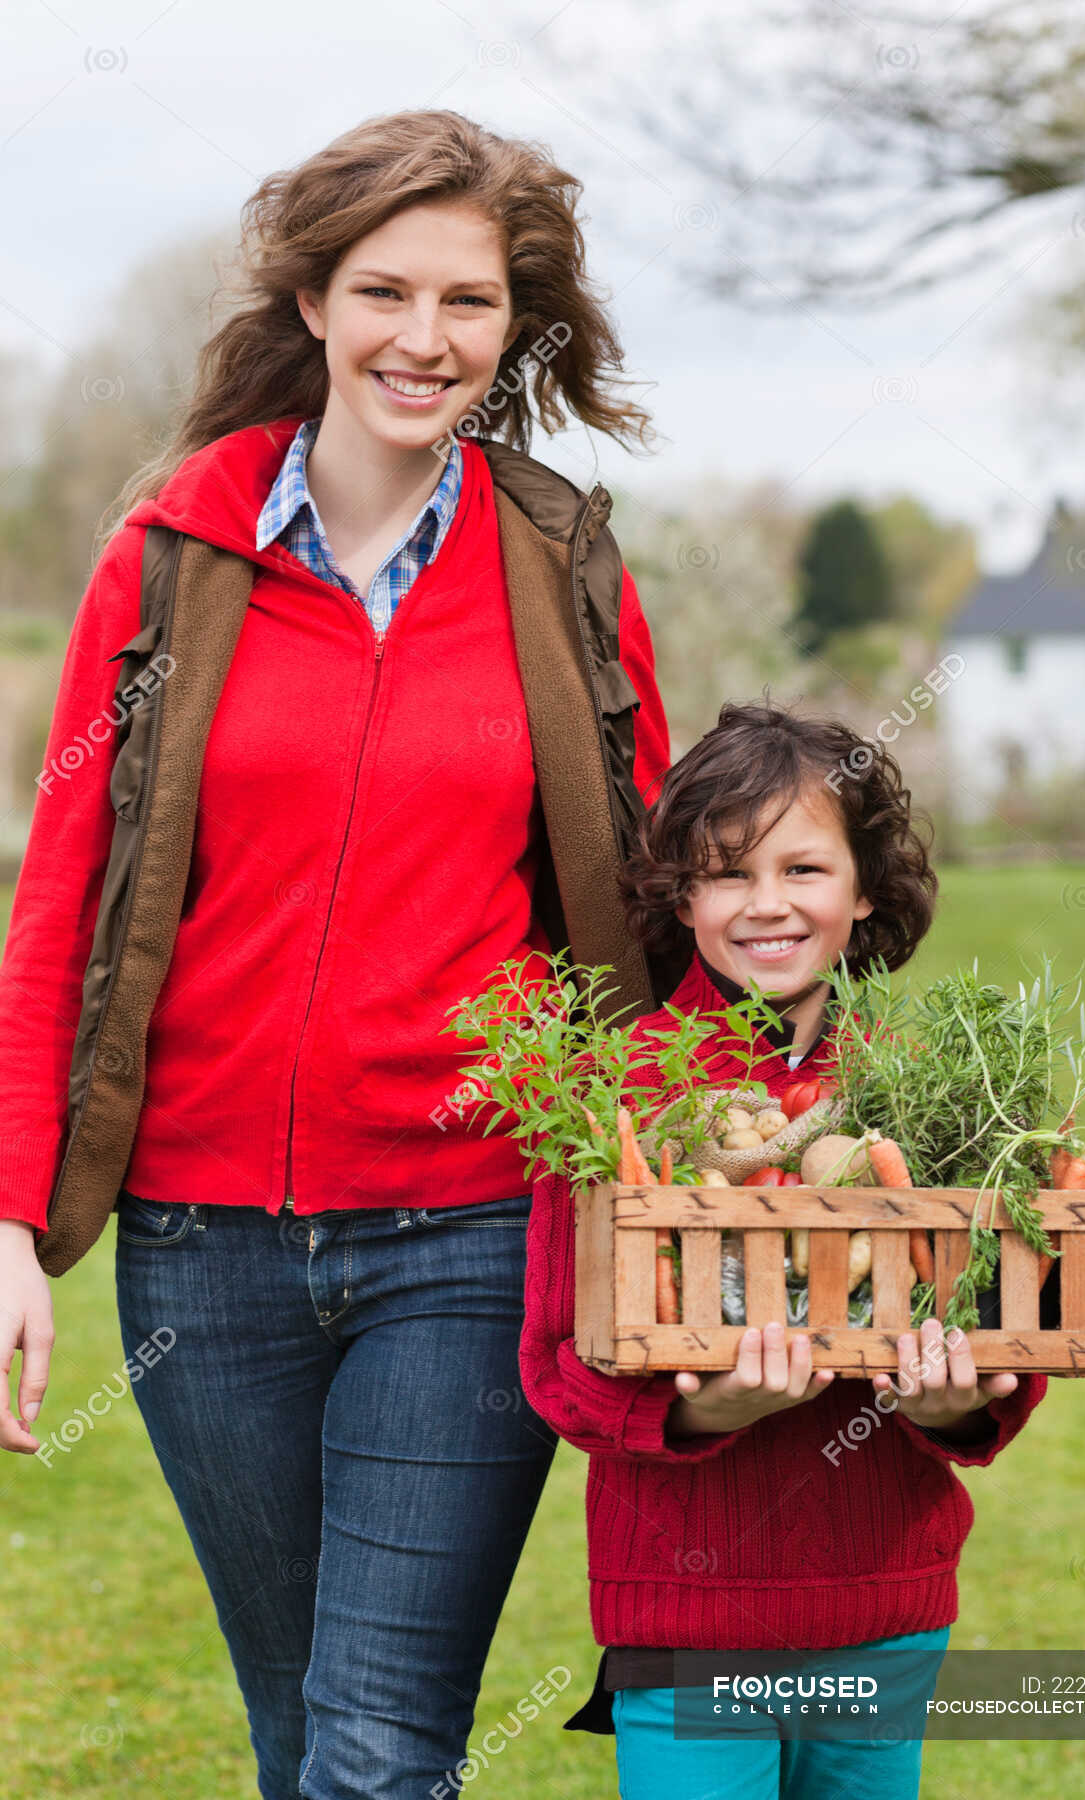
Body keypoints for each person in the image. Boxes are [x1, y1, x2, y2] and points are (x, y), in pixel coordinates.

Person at [0, 110, 675, 1799]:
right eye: (386, 292)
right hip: (198, 1256)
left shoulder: (565, 568)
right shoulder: (169, 559)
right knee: (303, 1731)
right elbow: (61, 902)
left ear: (513, 324)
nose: (425, 340)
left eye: (470, 301)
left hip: (469, 1236)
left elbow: (649, 907)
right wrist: (12, 1218)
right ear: (311, 301)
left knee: (378, 1749)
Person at [519, 700, 1049, 1800]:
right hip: (687, 1609)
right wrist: (709, 1408)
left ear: (865, 891)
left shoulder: (936, 1087)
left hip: (884, 1599)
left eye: (804, 869)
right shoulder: (620, 1094)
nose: (767, 905)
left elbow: (1010, 1341)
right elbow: (558, 1366)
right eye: (725, 873)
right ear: (683, 898)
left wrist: (947, 1400)